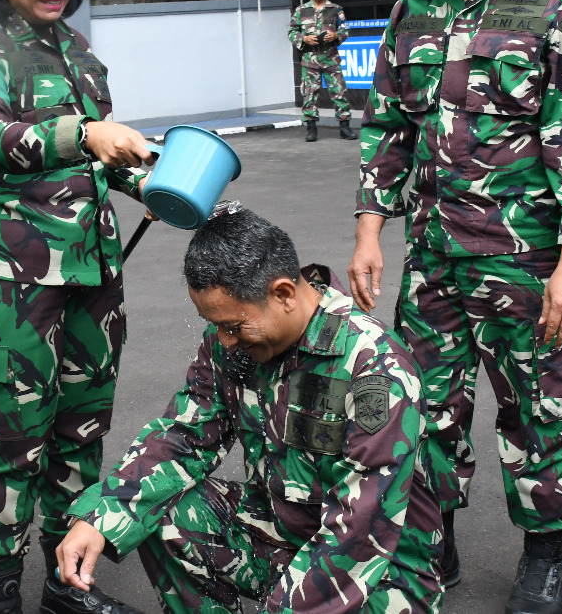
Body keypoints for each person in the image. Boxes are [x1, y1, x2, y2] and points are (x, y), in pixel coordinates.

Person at [348, 0, 562, 614]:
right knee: (424, 406)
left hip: (526, 265)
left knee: (536, 407)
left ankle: (546, 550)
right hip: (433, 259)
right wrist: (371, 229)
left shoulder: (556, 4)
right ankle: (432, 539)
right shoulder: (411, 11)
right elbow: (389, 128)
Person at [56, 203, 443, 614]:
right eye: (216, 325)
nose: (223, 341)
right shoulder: (237, 341)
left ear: (284, 294)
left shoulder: (373, 366)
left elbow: (360, 531)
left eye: (233, 326)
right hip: (279, 532)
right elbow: (183, 435)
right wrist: (103, 514)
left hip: (376, 572)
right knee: (159, 508)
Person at [0, 0, 153, 614]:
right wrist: (86, 134)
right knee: (12, 435)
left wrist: (158, 180)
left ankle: (69, 583)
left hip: (93, 275)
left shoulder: (78, 51)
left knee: (81, 430)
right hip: (14, 284)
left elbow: (104, 161)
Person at [288, 0, 354, 141]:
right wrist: (303, 39)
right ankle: (311, 128)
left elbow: (345, 30)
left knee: (339, 93)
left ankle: (344, 127)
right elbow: (291, 32)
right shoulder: (301, 10)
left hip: (331, 58)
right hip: (310, 59)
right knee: (309, 95)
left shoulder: (336, 9)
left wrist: (335, 35)